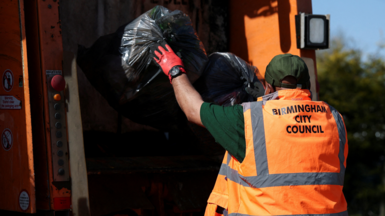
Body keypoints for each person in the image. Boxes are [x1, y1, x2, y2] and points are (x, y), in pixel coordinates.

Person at [154, 45, 348, 216]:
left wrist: (175, 70)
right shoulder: (335, 120)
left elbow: (193, 109)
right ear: (308, 86)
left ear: (268, 87)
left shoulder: (250, 120)